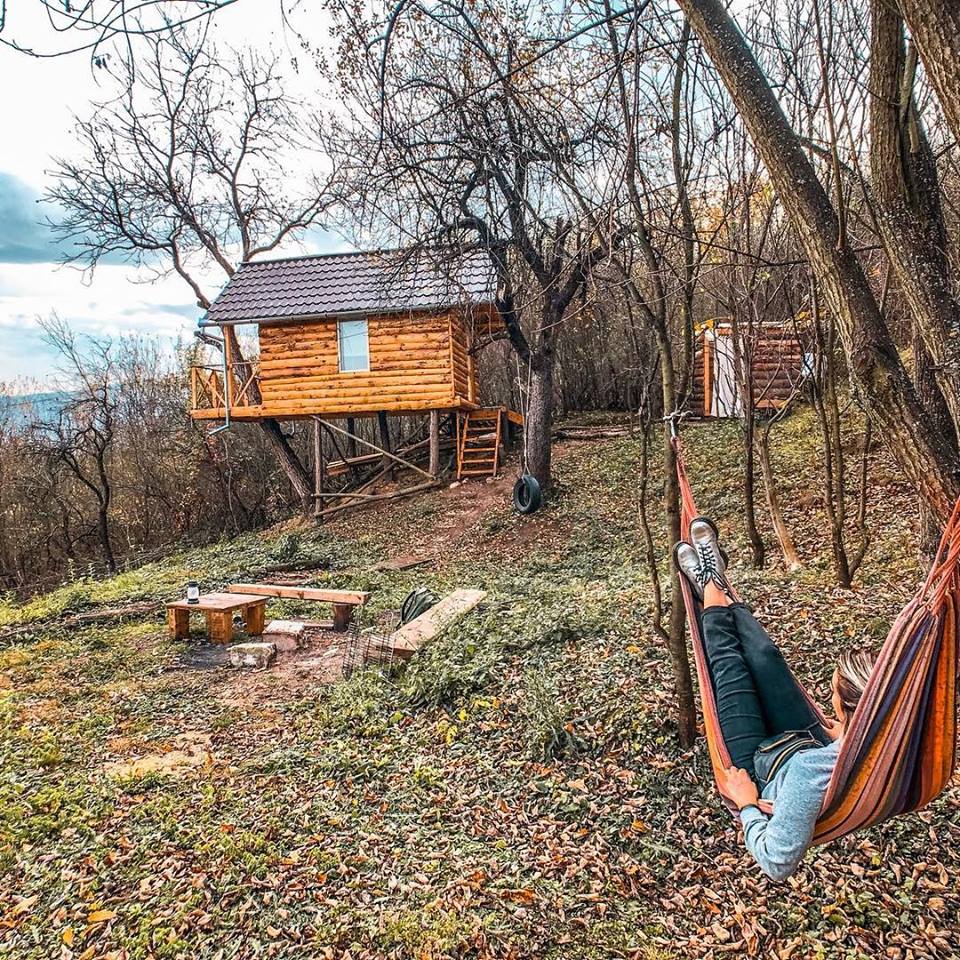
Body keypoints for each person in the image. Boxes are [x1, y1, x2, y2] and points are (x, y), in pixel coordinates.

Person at [674, 517, 875, 881]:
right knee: (764, 655)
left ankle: (708, 583)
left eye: (830, 692)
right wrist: (840, 738)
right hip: (811, 738)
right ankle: (714, 581)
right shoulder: (879, 734)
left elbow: (777, 862)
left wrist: (748, 804)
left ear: (846, 707)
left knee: (729, 665)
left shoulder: (805, 778)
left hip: (757, 766)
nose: (826, 696)